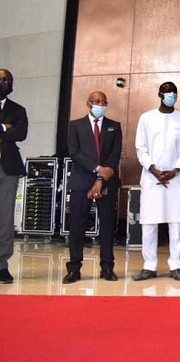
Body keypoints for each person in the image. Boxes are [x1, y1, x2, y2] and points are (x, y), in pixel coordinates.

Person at [133, 81, 180, 281]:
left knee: (176, 222)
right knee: (149, 223)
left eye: (174, 92)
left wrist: (175, 170)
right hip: (151, 177)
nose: (171, 96)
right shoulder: (146, 118)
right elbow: (141, 148)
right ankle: (149, 266)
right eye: (167, 92)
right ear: (159, 94)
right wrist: (154, 169)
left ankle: (176, 265)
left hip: (175, 177)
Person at [63, 91, 122, 283]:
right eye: (97, 102)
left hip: (107, 182)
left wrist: (101, 178)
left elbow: (115, 155)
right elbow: (75, 152)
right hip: (81, 181)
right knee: (77, 226)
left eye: (104, 102)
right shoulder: (75, 126)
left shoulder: (114, 127)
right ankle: (74, 269)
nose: (101, 105)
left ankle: (107, 268)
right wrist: (97, 169)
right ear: (88, 104)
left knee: (107, 227)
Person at [0, 68, 27, 284]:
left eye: (8, 79)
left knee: (5, 219)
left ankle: (1, 265)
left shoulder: (18, 109)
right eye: (1, 79)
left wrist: (11, 130)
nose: (5, 82)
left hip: (7, 169)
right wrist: (4, 127)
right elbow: (10, 132)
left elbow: (21, 133)